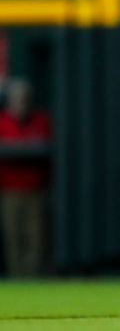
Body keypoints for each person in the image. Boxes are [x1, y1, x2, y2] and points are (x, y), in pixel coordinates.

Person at [0, 79, 52, 277]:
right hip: (9, 191)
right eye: (18, 100)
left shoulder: (41, 120)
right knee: (14, 238)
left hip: (36, 190)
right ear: (10, 102)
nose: (22, 104)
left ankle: (35, 280)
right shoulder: (2, 121)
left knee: (37, 239)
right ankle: (16, 280)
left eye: (25, 99)